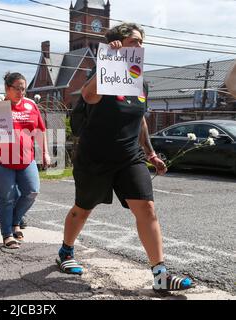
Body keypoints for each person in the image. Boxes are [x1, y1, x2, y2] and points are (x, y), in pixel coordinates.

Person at [56, 23, 193, 293]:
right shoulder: (105, 73)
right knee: (82, 209)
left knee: (147, 209)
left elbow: (140, 118)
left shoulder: (140, 82)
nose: (139, 46)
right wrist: (111, 60)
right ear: (118, 43)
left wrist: (150, 153)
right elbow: (88, 95)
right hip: (95, 157)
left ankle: (160, 274)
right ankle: (66, 251)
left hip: (129, 157)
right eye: (133, 41)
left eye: (141, 42)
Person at [0, 72, 50, 249]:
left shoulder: (31, 105)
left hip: (26, 158)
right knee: (6, 197)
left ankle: (15, 221)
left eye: (24, 89)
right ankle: (7, 234)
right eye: (17, 88)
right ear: (7, 88)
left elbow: (40, 130)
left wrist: (45, 152)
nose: (21, 92)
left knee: (32, 190)